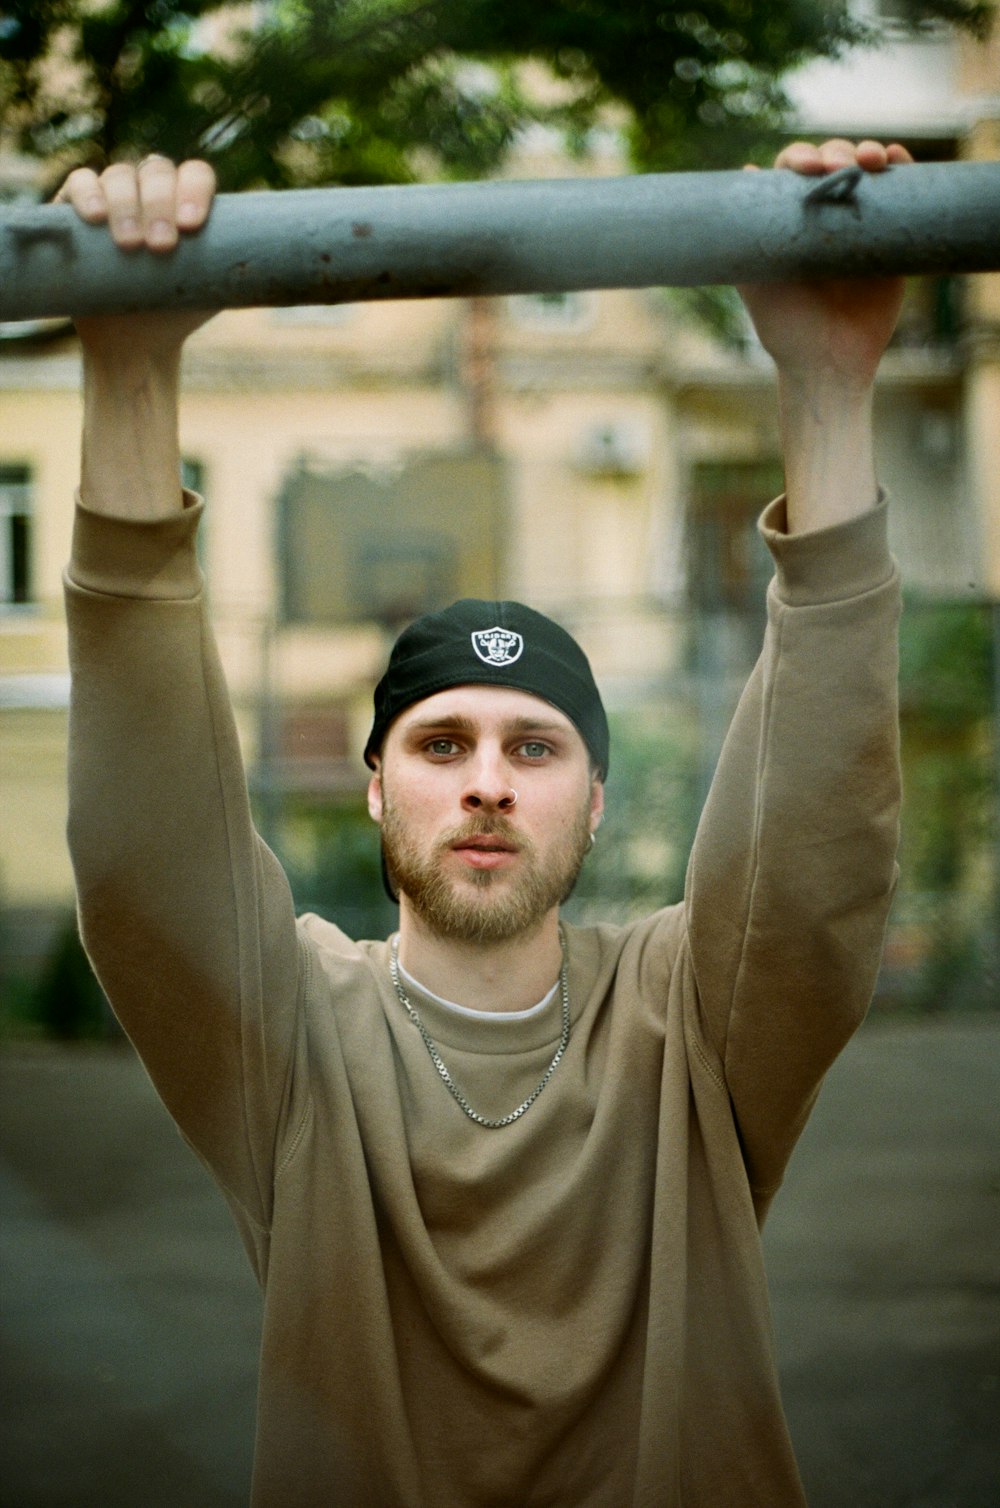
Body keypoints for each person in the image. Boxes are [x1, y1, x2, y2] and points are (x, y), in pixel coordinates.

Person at [58, 139, 907, 1506]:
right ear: (377, 785)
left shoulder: (691, 1023)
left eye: (536, 746)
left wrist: (827, 386)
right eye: (442, 743)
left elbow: (819, 852)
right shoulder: (296, 1037)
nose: (490, 779)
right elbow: (144, 852)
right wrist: (132, 374)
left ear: (598, 799)